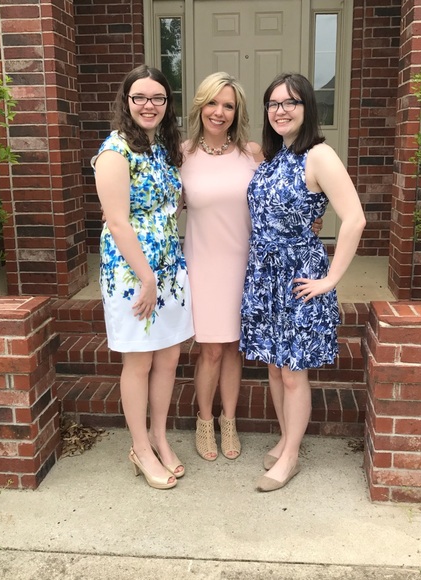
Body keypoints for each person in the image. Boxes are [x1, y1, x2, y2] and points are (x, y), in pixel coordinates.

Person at [240, 73, 366, 492]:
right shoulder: (276, 155)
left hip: (298, 276)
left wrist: (331, 278)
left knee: (293, 372)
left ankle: (291, 456)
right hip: (265, 275)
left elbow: (355, 218)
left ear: (307, 107)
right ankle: (285, 439)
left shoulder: (319, 155)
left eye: (290, 103)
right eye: (273, 104)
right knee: (275, 368)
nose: (280, 111)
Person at [92, 65, 194, 490]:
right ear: (126, 101)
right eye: (140, 97)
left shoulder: (164, 148)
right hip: (133, 272)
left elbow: (173, 203)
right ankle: (139, 447)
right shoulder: (115, 151)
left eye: (158, 98)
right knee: (139, 360)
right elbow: (117, 222)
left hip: (170, 266)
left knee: (168, 357)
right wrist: (147, 278)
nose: (148, 105)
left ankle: (159, 437)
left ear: (167, 104)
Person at [180, 72, 262, 462]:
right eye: (213, 103)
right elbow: (162, 205)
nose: (219, 112)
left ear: (237, 112)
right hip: (203, 264)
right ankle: (204, 420)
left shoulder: (252, 154)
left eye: (228, 105)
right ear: (200, 106)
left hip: (244, 263)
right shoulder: (182, 155)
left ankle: (229, 420)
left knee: (233, 348)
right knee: (211, 349)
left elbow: (278, 200)